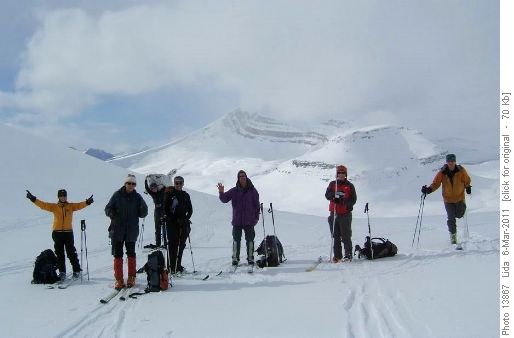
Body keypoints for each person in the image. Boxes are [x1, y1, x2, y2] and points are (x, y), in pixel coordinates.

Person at [26, 189, 94, 280]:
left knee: (71, 252)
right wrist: (33, 199)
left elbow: (79, 205)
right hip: (57, 233)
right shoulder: (54, 207)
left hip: (68, 233)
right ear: (58, 197)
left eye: (64, 196)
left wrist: (87, 202)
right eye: (61, 196)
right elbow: (43, 205)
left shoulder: (71, 206)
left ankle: (76, 270)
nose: (63, 197)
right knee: (59, 254)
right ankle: (62, 272)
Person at [105, 174, 148, 289]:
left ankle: (131, 277)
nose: (131, 185)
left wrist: (144, 210)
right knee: (118, 255)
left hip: (131, 230)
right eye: (129, 183)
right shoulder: (117, 195)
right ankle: (119, 279)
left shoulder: (138, 197)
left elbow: (143, 213)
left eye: (133, 184)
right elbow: (107, 208)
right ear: (125, 184)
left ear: (135, 185)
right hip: (117, 229)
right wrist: (111, 213)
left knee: (131, 254)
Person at [421, 153, 472, 244]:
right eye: (449, 161)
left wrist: (468, 187)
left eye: (452, 161)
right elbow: (436, 183)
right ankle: (453, 236)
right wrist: (428, 190)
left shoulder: (461, 170)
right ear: (447, 162)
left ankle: (461, 211)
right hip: (448, 200)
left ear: (455, 162)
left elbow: (466, 179)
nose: (450, 163)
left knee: (459, 215)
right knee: (451, 218)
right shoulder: (442, 172)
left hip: (460, 198)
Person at [217, 170, 260, 267]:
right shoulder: (234, 190)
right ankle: (235, 259)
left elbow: (257, 206)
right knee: (236, 240)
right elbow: (224, 199)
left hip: (249, 221)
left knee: (250, 240)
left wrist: (256, 218)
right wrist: (221, 192)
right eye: (240, 176)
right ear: (238, 178)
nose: (242, 178)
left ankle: (250, 258)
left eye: (243, 176)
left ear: (246, 177)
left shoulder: (253, 191)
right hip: (237, 221)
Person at [325, 165, 357, 262]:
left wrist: (344, 202)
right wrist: (333, 197)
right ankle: (337, 256)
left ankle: (348, 255)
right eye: (339, 173)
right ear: (337, 174)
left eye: (343, 173)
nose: (341, 175)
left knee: (346, 236)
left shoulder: (350, 186)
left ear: (345, 174)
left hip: (345, 214)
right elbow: (327, 194)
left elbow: (353, 199)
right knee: (335, 236)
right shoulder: (332, 184)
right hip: (334, 213)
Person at [164, 176, 193, 274]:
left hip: (183, 223)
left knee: (181, 245)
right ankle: (171, 267)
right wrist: (174, 219)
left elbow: (190, 210)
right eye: (176, 183)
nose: (178, 185)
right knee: (173, 245)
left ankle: (178, 265)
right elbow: (166, 209)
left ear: (183, 184)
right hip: (172, 224)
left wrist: (186, 219)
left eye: (180, 183)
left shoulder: (186, 195)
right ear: (174, 183)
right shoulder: (169, 194)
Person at [145, 177, 167, 249]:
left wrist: (161, 179)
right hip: (157, 212)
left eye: (154, 188)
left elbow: (165, 185)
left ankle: (166, 244)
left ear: (157, 187)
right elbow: (147, 189)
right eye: (152, 188)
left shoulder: (162, 191)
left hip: (163, 211)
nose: (153, 189)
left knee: (164, 228)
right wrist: (145, 180)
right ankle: (158, 244)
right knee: (157, 229)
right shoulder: (152, 194)